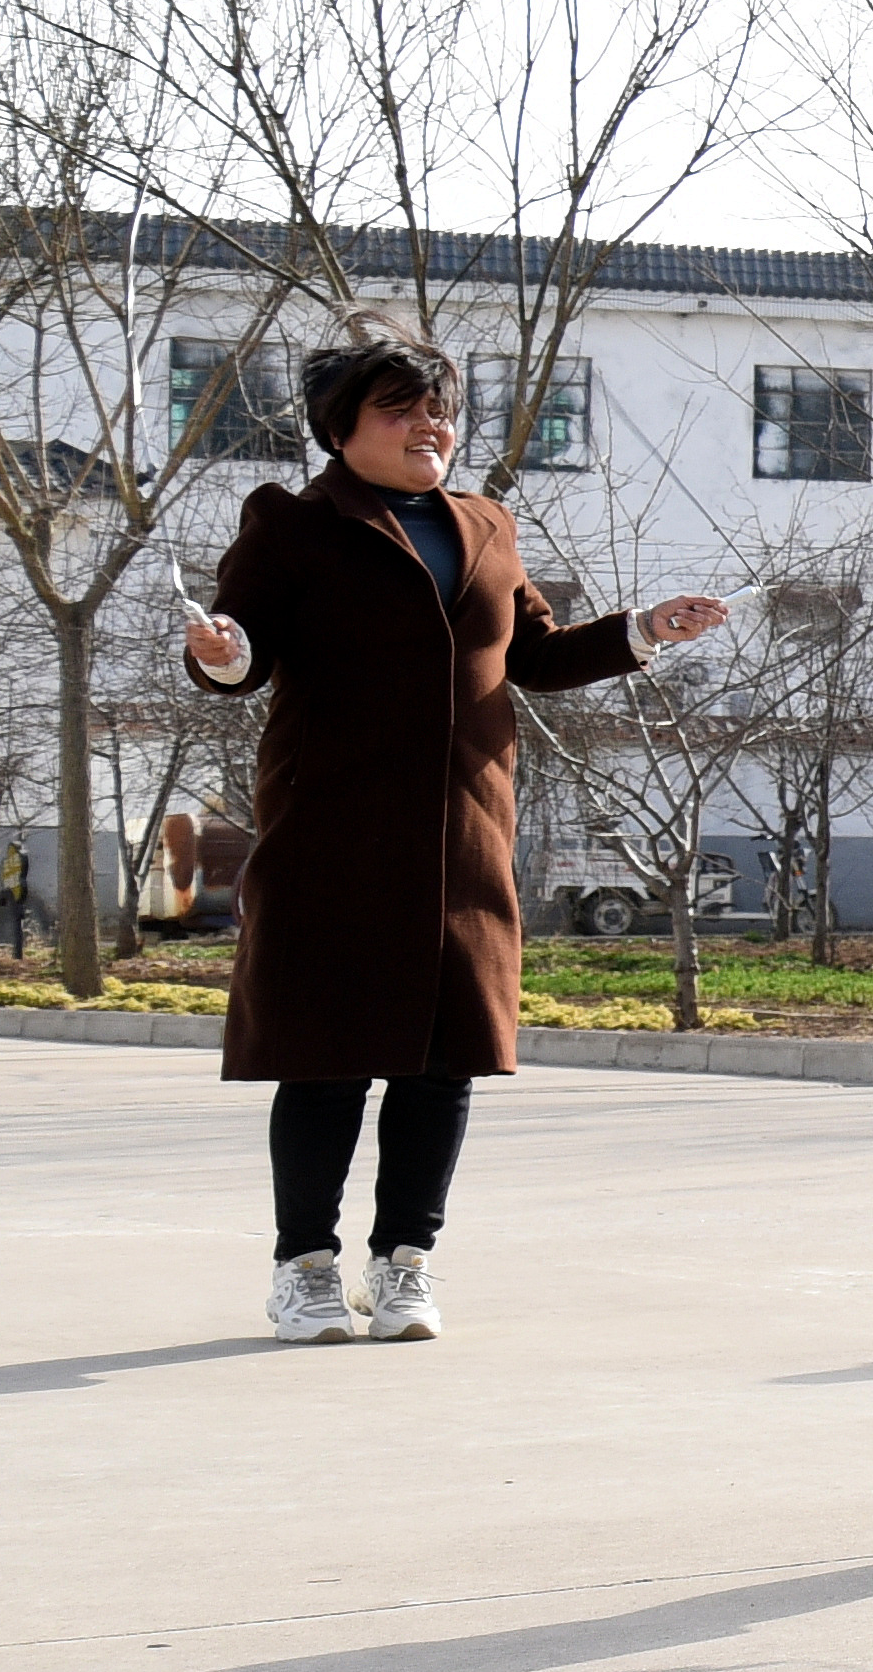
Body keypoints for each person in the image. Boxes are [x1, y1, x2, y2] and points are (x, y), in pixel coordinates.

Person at [178, 334, 727, 1345]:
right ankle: (304, 1266)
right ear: (342, 426)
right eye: (399, 408)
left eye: (439, 408)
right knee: (327, 1059)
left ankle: (405, 1264)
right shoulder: (292, 524)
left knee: (443, 1062)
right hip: (333, 838)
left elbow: (537, 656)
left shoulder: (486, 524)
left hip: (463, 838)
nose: (429, 425)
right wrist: (219, 649)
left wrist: (644, 629)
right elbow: (239, 651)